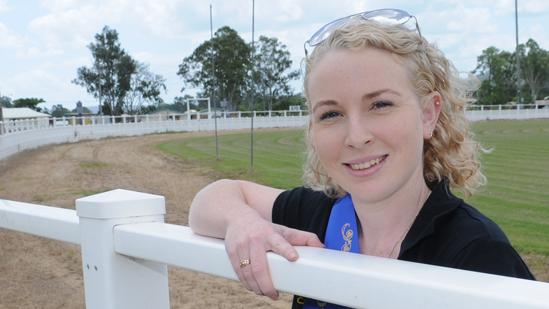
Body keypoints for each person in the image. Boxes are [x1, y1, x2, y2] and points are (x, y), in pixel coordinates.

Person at [189, 8, 535, 308]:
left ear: (429, 114)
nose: (356, 137)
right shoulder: (316, 217)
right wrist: (244, 223)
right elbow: (211, 200)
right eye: (331, 114)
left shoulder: (477, 253)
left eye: (380, 105)